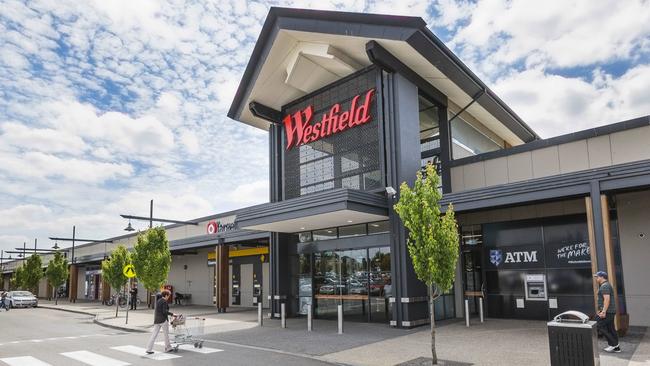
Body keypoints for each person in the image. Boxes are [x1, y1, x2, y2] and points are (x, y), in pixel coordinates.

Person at [595, 271, 620, 353]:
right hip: (610, 311)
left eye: (597, 277)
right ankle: (616, 347)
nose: (596, 278)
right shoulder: (606, 285)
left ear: (602, 277)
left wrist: (603, 311)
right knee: (611, 328)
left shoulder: (604, 286)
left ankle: (613, 344)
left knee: (599, 325)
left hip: (608, 311)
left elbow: (607, 299)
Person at [145, 289, 175, 354]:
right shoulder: (164, 301)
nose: (169, 297)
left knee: (154, 335)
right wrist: (172, 314)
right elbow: (164, 311)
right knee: (166, 335)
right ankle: (168, 347)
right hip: (163, 320)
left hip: (157, 320)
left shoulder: (158, 301)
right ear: (166, 295)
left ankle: (149, 349)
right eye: (169, 295)